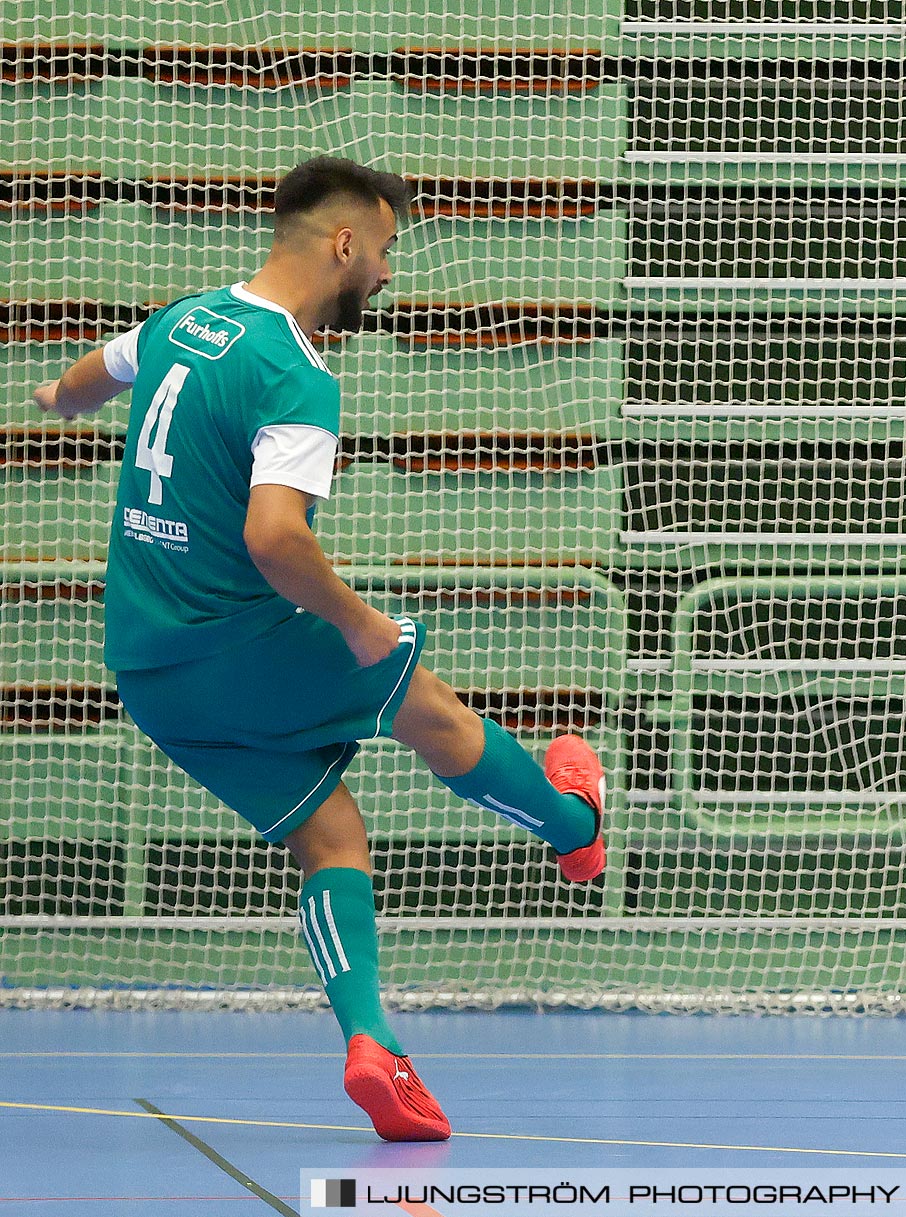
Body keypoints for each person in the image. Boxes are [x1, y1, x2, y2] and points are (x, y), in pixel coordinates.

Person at [29, 156, 608, 1142]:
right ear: (343, 243)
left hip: (146, 668)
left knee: (332, 838)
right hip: (236, 644)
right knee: (419, 696)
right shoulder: (295, 370)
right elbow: (275, 538)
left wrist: (56, 397)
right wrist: (355, 620)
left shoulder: (185, 319)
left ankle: (376, 1045)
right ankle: (570, 825)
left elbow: (99, 370)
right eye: (382, 250)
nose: (385, 273)